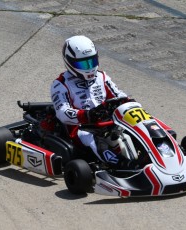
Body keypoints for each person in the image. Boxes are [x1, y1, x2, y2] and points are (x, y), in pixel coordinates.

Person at [50, 35, 135, 168]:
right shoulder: (60, 84)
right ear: (70, 62)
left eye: (91, 61)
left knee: (133, 128)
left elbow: (118, 94)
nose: (89, 67)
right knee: (94, 139)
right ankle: (122, 165)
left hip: (107, 122)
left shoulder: (102, 77)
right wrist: (86, 115)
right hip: (82, 128)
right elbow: (62, 112)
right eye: (83, 64)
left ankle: (157, 153)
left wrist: (127, 102)